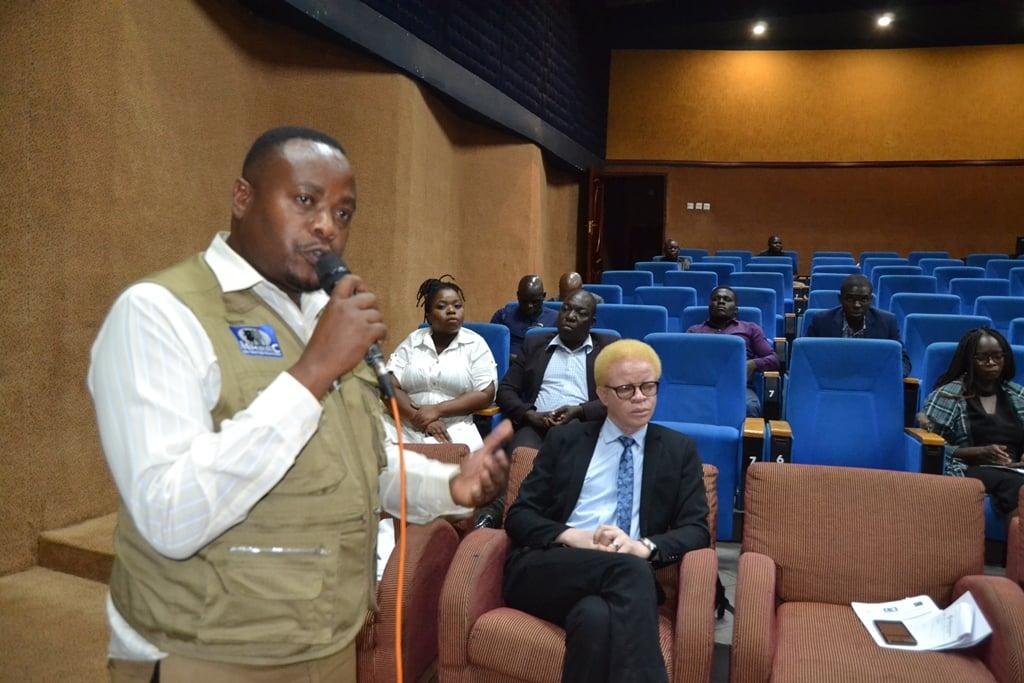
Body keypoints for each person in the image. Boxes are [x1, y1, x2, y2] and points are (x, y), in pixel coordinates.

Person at [88, 126, 511, 682]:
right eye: (305, 200)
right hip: (208, 652)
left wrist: (448, 486)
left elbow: (362, 465)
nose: (326, 226)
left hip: (328, 643)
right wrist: (311, 374)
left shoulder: (322, 319)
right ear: (243, 197)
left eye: (343, 212)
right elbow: (169, 516)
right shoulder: (158, 313)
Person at [503, 339, 710, 683]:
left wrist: (641, 547)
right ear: (602, 394)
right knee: (630, 571)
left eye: (648, 386)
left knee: (595, 618)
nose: (640, 397)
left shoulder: (678, 450)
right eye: (626, 389)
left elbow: (697, 529)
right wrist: (574, 537)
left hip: (622, 575)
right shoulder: (566, 440)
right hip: (550, 567)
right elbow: (519, 516)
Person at [384, 275, 496, 450]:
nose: (451, 311)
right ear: (428, 315)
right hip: (406, 426)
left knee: (453, 461)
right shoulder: (413, 341)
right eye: (442, 306)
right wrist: (419, 418)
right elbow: (388, 386)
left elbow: (486, 394)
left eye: (457, 306)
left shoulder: (476, 344)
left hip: (454, 429)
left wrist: (437, 410)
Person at [921, 328, 1024, 515]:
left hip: (1015, 468)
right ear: (969, 360)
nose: (991, 363)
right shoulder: (948, 396)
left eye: (997, 356)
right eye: (983, 358)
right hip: (970, 467)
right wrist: (978, 452)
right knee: (1016, 485)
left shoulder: (1018, 394)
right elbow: (931, 449)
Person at [496, 289, 615, 450]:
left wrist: (580, 411)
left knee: (568, 454)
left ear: (592, 323)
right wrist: (529, 414)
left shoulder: (607, 349)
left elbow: (619, 397)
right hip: (536, 424)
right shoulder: (535, 344)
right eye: (565, 309)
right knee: (522, 456)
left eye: (580, 313)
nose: (570, 316)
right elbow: (506, 389)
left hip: (582, 425)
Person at [686, 286, 779, 417]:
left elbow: (774, 360)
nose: (721, 301)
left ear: (735, 310)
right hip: (702, 385)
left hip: (738, 386)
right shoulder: (694, 331)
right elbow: (684, 363)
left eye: (727, 299)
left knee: (750, 407)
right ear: (709, 307)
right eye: (716, 299)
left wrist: (753, 364)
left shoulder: (750, 329)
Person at [804, 274, 912, 376]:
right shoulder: (821, 321)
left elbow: (903, 362)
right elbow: (807, 358)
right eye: (850, 299)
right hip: (832, 379)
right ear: (840, 299)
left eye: (863, 299)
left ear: (870, 300)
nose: (856, 305)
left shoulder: (887, 322)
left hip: (873, 381)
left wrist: (884, 376)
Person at [490, 274, 558, 358]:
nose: (529, 306)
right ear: (518, 295)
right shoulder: (503, 316)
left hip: (539, 362)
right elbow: (492, 347)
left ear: (543, 296)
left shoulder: (555, 319)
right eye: (524, 301)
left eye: (534, 302)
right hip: (509, 362)